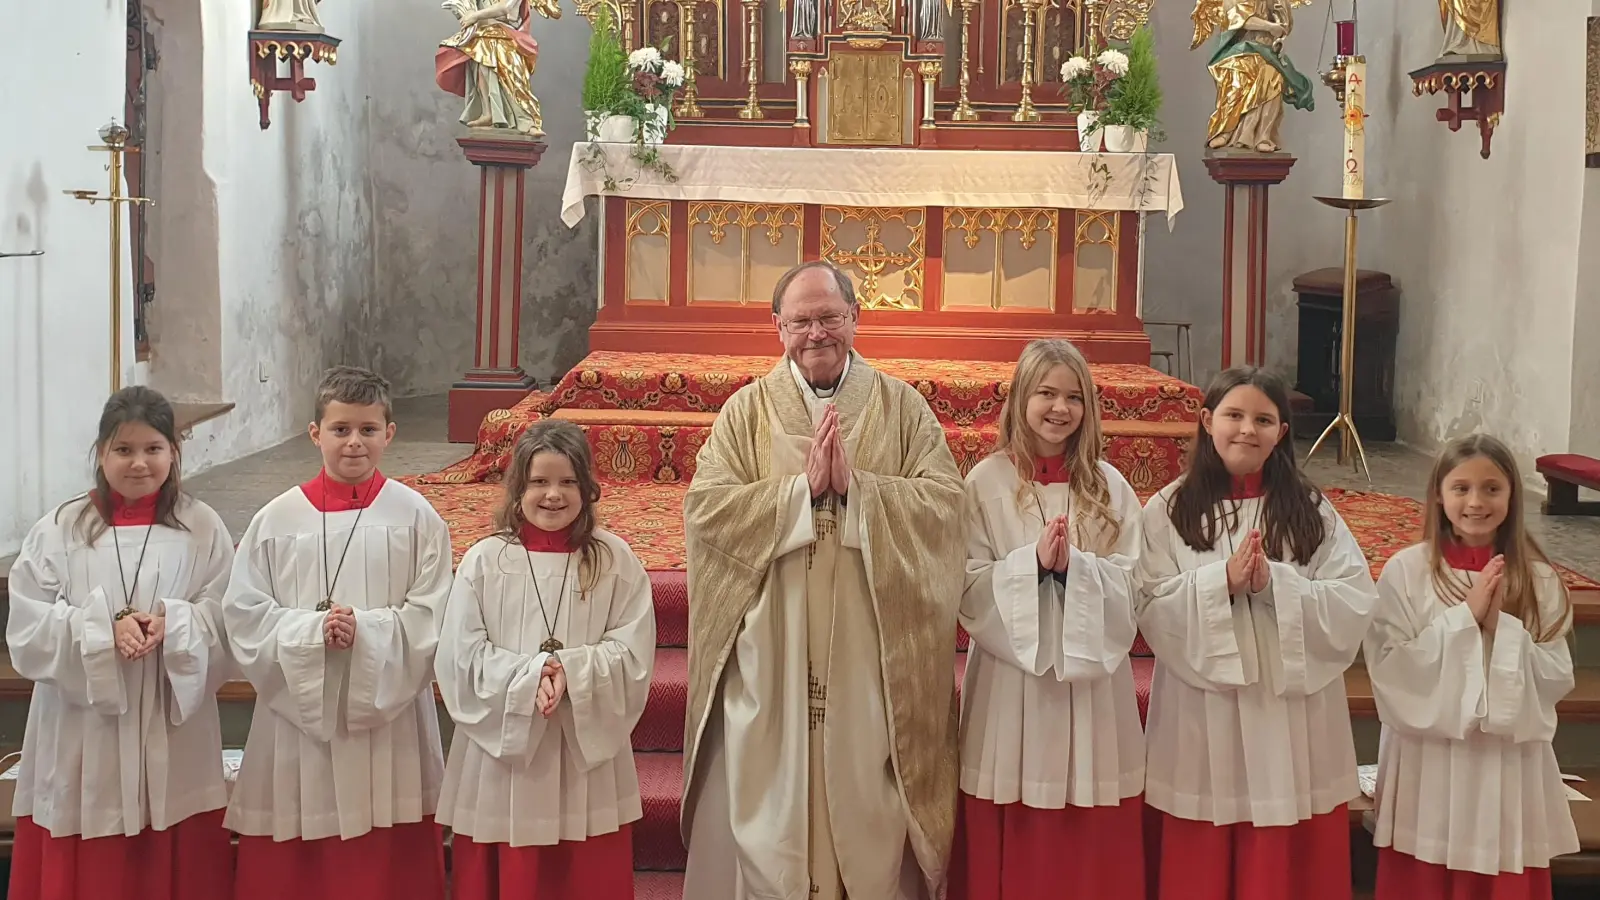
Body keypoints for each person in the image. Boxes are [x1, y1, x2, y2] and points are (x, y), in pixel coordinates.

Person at [680, 260, 967, 900]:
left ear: (856, 319)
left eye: (830, 318)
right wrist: (797, 496)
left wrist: (859, 494)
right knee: (772, 798)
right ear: (776, 325)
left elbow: (947, 506)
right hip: (773, 647)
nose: (817, 333)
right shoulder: (745, 412)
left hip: (870, 645)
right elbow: (705, 511)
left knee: (866, 788)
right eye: (801, 320)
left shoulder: (902, 407)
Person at [1135, 366, 1378, 900]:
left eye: (1264, 419)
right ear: (1206, 421)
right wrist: (1220, 580)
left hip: (1289, 713)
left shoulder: (1311, 511)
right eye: (1234, 415)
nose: (1248, 429)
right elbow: (1148, 601)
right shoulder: (1168, 510)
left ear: (1282, 433)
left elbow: (1354, 599)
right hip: (1205, 711)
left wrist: (1276, 585)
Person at [223, 366, 452, 900]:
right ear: (314, 433)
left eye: (368, 430)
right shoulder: (275, 520)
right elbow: (245, 614)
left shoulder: (417, 517)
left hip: (388, 719)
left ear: (390, 434)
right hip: (298, 723)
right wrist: (309, 631)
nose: (354, 442)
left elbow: (433, 612)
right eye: (341, 428)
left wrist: (367, 632)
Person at [6, 387, 235, 900]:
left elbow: (227, 616)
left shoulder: (202, 527)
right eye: (123, 449)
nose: (139, 463)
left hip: (168, 717)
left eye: (153, 448)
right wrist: (100, 632)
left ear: (174, 452)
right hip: (82, 722)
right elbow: (25, 623)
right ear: (100, 453)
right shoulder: (62, 527)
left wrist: (174, 623)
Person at [949, 339, 1147, 900]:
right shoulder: (985, 483)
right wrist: (1030, 568)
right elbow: (963, 583)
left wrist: (1075, 571)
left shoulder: (1109, 486)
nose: (1060, 408)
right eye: (1046, 393)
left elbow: (1135, 584)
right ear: (1020, 399)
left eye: (1074, 397)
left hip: (1091, 688)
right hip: (1014, 684)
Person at [437, 419, 657, 899]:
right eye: (539, 482)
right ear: (518, 489)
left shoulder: (615, 560)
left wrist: (569, 673)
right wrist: (530, 676)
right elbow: (460, 654)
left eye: (567, 482)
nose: (552, 495)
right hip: (504, 753)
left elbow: (633, 651)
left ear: (588, 488)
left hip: (583, 751)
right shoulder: (486, 560)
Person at [1365, 434, 1577, 900]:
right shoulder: (1407, 570)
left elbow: (1556, 675)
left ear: (1512, 496)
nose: (1475, 502)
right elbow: (1389, 667)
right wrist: (1466, 620)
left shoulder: (1538, 577)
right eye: (1460, 488)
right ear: (1438, 495)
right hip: (1431, 761)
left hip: (1506, 763)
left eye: (1491, 489)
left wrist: (1501, 627)